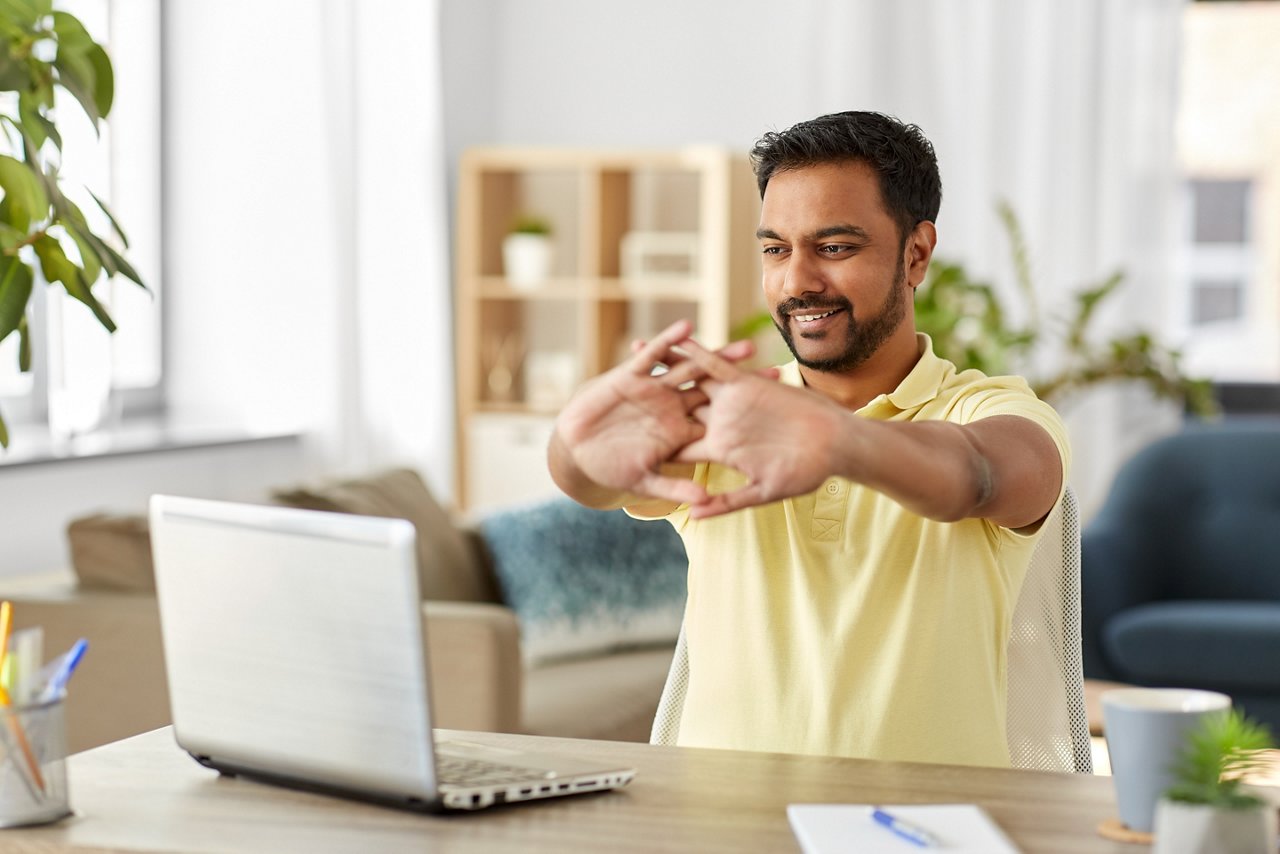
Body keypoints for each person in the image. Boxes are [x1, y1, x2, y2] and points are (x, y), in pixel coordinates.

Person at [547, 111, 1069, 768]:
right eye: (776, 249)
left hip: (928, 828)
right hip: (716, 828)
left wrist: (840, 443)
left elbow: (985, 474)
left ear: (917, 253)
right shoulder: (724, 416)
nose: (796, 281)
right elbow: (588, 477)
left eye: (835, 247)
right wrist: (575, 451)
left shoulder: (987, 409)